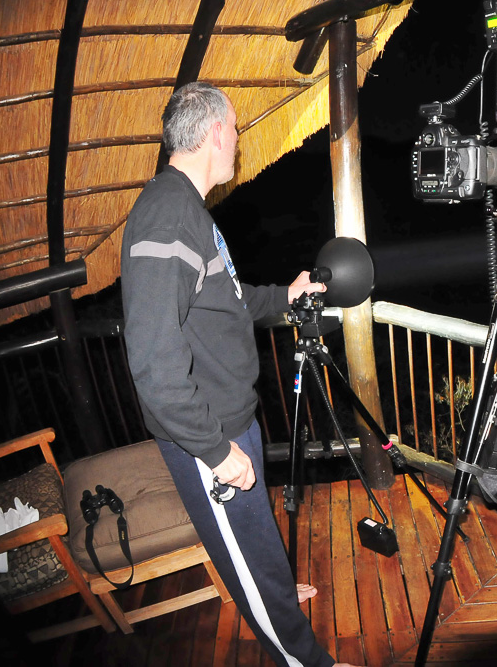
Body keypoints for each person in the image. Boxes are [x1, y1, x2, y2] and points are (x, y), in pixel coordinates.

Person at [121, 82, 360, 667]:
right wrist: (213, 449)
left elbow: (226, 301)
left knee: (252, 535)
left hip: (228, 417)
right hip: (210, 431)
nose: (239, 141)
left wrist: (286, 295)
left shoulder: (186, 210)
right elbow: (152, 360)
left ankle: (269, 593)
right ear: (215, 133)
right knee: (242, 538)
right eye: (236, 129)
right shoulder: (167, 217)